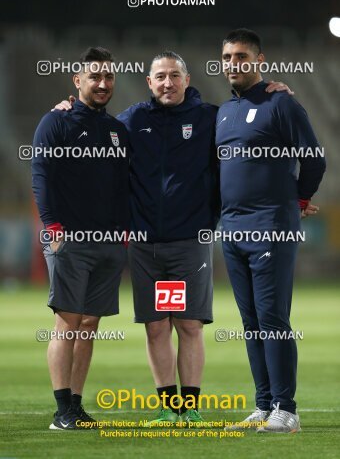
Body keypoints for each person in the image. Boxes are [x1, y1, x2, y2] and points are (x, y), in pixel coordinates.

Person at [55, 50, 292, 424]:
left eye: (174, 76)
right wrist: (69, 111)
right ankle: (168, 407)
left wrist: (272, 94)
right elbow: (95, 129)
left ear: (187, 79)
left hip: (188, 241)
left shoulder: (210, 118)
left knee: (188, 324)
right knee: (156, 326)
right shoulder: (132, 121)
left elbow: (252, 131)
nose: (168, 83)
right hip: (147, 244)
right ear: (150, 83)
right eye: (160, 77)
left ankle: (190, 408)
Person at [216, 29, 326, 433]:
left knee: (273, 319)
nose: (233, 64)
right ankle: (263, 405)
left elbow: (314, 158)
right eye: (227, 57)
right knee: (250, 322)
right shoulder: (224, 113)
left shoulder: (281, 103)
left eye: (242, 57)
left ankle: (287, 409)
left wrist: (297, 200)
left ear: (260, 60)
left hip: (271, 228)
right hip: (232, 229)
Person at [32, 47, 129, 430]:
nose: (103, 84)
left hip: (108, 242)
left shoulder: (118, 131)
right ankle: (61, 413)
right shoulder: (55, 123)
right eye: (94, 77)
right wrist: (53, 229)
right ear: (77, 81)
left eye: (108, 77)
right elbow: (41, 176)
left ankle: (75, 405)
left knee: (89, 325)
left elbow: (123, 187)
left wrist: (122, 233)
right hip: (69, 238)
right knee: (68, 323)